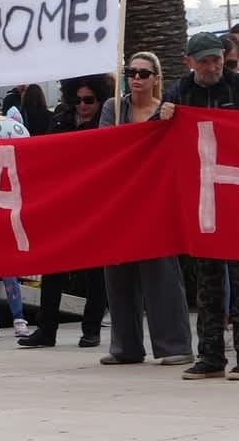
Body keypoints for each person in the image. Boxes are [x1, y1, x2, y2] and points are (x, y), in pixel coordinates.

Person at [163, 32, 239, 380]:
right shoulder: (179, 92)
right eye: (205, 61)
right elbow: (155, 140)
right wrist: (162, 116)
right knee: (207, 284)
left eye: (217, 59)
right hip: (202, 201)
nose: (213, 66)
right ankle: (210, 356)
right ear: (189, 62)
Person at [97, 53, 192, 365]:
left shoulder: (168, 110)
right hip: (120, 200)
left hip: (155, 199)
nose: (136, 77)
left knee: (162, 274)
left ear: (156, 78)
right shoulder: (115, 107)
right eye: (131, 72)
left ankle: (174, 345)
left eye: (143, 73)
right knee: (118, 275)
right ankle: (125, 346)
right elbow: (106, 145)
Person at [20, 77, 110, 348]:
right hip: (63, 202)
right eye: (78, 100)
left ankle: (91, 329)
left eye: (89, 100)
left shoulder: (107, 124)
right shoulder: (59, 120)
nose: (82, 106)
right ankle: (46, 329)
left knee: (95, 270)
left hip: (95, 202)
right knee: (53, 267)